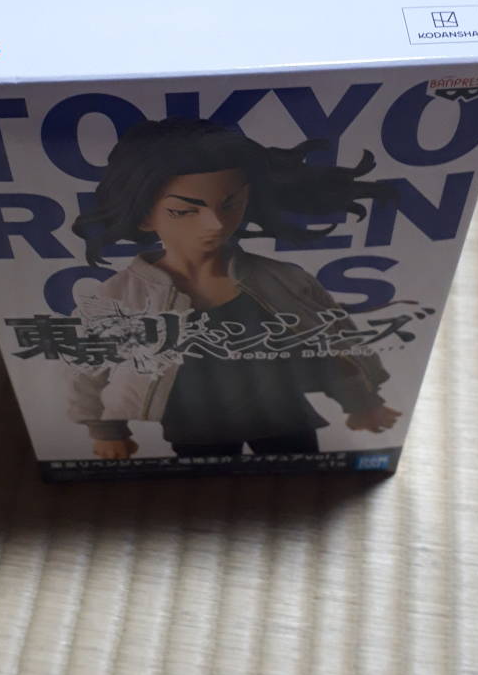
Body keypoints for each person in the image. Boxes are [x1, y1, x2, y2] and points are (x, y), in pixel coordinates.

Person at [68, 117, 400, 459]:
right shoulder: (120, 296)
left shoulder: (285, 279)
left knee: (296, 478)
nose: (216, 223)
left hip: (284, 417)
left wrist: (363, 403)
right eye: (184, 210)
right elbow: (90, 367)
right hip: (196, 427)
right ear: (143, 216)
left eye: (230, 204)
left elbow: (333, 346)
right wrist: (105, 430)